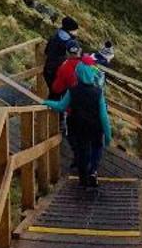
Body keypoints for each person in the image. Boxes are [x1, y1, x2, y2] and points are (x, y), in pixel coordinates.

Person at [44, 58, 112, 188]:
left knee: (82, 151)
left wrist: (47, 102)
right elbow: (103, 116)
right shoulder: (98, 93)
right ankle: (92, 171)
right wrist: (108, 135)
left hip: (78, 126)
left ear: (78, 74)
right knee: (97, 147)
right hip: (95, 127)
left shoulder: (72, 90)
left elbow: (61, 106)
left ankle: (83, 180)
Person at [41, 16, 79, 94]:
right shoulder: (69, 42)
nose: (77, 32)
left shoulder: (55, 35)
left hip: (48, 68)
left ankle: (49, 104)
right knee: (59, 94)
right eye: (75, 30)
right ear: (70, 30)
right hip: (57, 72)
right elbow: (74, 58)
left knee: (53, 93)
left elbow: (46, 51)